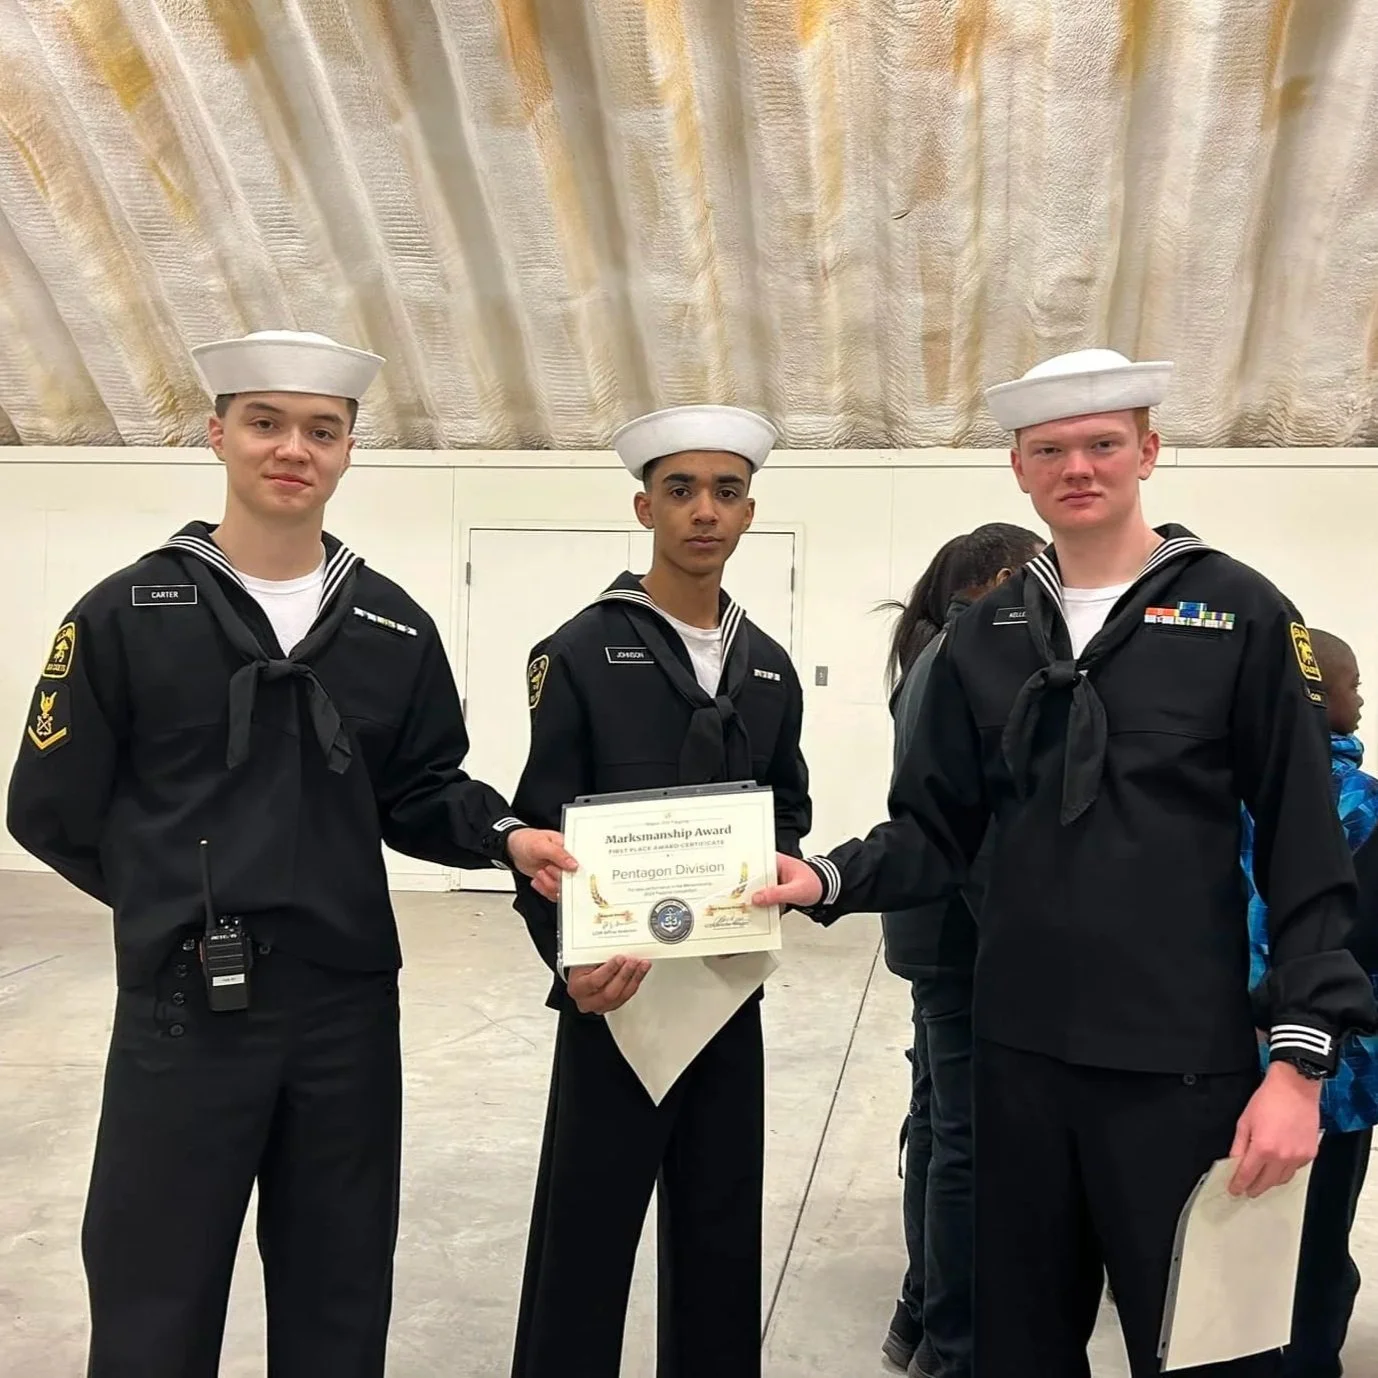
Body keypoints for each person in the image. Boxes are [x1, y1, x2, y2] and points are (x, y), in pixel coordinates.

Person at [754, 348, 1378, 1378]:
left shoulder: (1239, 613)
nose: (1076, 467)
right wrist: (824, 878)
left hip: (1183, 1068)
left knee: (1209, 1357)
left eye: (1101, 443)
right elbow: (935, 831)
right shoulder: (986, 636)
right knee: (1021, 1352)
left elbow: (1304, 850)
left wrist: (1298, 1066)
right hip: (1020, 1063)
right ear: (1018, 467)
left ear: (1148, 451)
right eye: (1048, 449)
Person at [5, 329, 574, 1378]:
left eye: (321, 430)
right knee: (152, 1286)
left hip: (343, 1010)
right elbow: (48, 807)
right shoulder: (128, 612)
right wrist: (172, 900)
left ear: (349, 449)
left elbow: (420, 789)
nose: (292, 449)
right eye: (265, 423)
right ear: (217, 433)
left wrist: (507, 836)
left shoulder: (391, 627)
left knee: (338, 1286)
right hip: (185, 1008)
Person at [507, 404, 812, 1378]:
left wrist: (771, 877)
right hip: (617, 994)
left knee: (722, 1234)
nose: (703, 511)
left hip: (724, 991)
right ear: (645, 506)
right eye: (680, 490)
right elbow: (540, 830)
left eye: (726, 491)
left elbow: (788, 806)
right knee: (584, 1240)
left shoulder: (769, 669)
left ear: (750, 510)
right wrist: (572, 959)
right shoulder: (580, 652)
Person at [879, 523, 1044, 1378]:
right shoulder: (970, 659)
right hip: (965, 928)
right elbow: (975, 825)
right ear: (1006, 578)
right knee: (966, 1141)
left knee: (941, 1127)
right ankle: (955, 1345)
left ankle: (921, 1313)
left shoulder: (927, 656)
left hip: (932, 926)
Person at [1244, 628, 1378, 1378]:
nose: (1363, 697)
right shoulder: (1367, 807)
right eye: (1354, 683)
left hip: (1222, 1059)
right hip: (1335, 1074)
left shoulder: (1224, 795)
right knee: (1319, 1241)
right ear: (1322, 696)